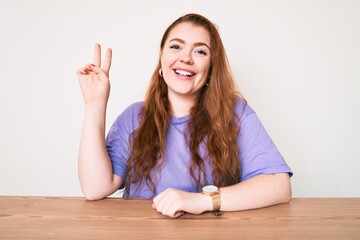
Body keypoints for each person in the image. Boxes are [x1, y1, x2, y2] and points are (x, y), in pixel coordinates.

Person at [77, 13, 293, 218]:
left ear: (211, 67)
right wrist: (95, 104)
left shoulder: (234, 112)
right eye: (176, 46)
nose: (186, 58)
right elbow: (95, 188)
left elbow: (278, 186)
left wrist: (201, 201)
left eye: (200, 51)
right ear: (161, 55)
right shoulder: (134, 116)